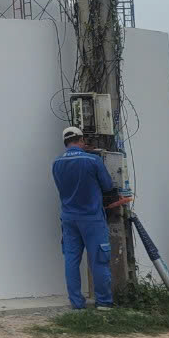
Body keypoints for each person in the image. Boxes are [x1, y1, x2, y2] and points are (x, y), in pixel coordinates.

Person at [51, 125, 117, 310]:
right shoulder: (93, 160)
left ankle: (77, 303)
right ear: (81, 140)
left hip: (69, 218)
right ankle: (104, 302)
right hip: (92, 217)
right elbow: (107, 185)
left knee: (71, 260)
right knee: (99, 259)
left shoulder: (57, 163)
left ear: (65, 143)